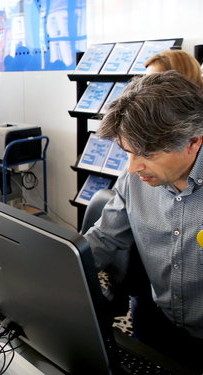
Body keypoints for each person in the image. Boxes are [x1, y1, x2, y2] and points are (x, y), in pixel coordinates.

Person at [83, 70, 203, 372]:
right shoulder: (133, 180)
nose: (134, 167)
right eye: (128, 152)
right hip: (156, 327)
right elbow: (104, 240)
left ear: (192, 142)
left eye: (146, 154)